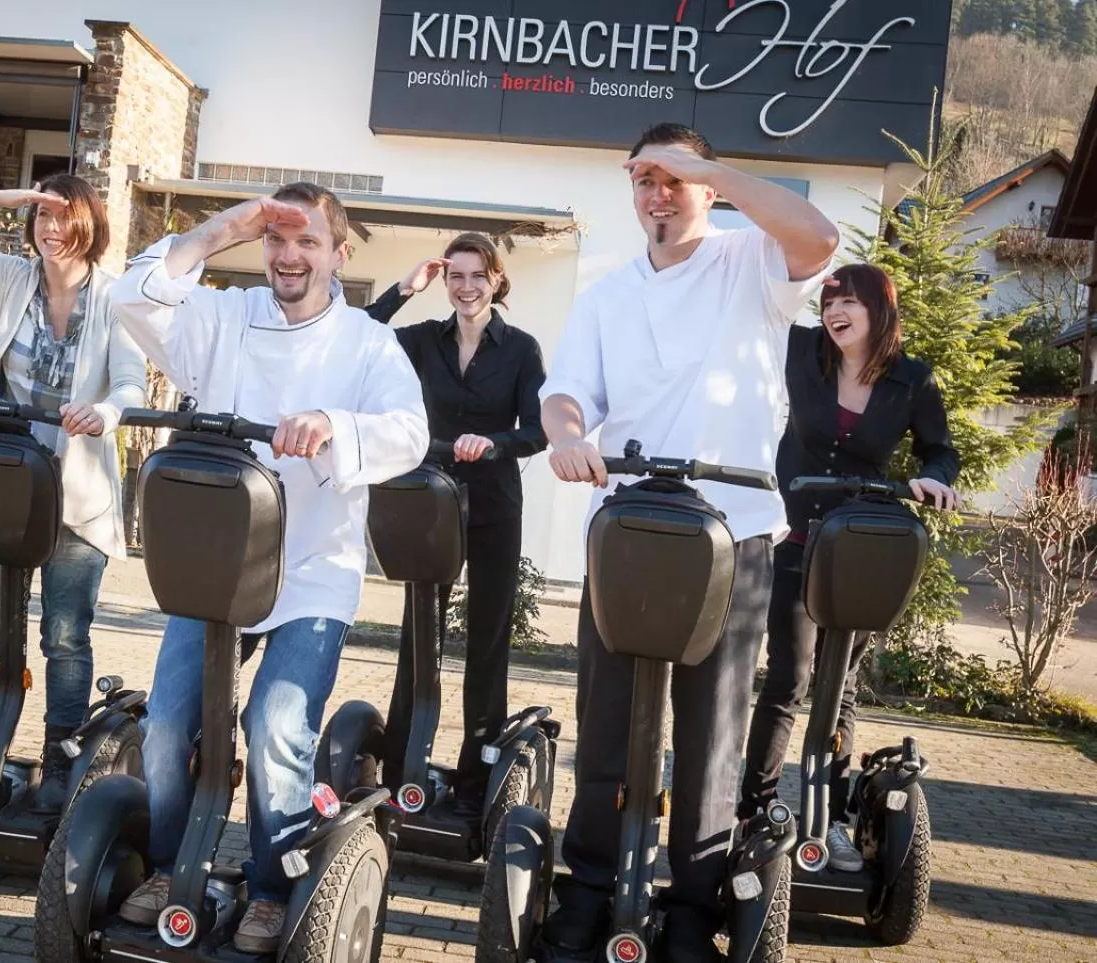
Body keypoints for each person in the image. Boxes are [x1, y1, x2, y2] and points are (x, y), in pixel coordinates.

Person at [539, 122, 841, 962]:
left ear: (707, 186)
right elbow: (565, 394)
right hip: (632, 528)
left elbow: (820, 236)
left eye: (674, 179)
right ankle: (589, 885)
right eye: (644, 177)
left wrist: (714, 170)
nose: (657, 193)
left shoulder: (752, 261)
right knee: (604, 720)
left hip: (734, 530)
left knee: (712, 730)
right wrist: (567, 436)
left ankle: (691, 907)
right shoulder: (605, 291)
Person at [108, 182, 428, 953]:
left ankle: (273, 883)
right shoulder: (222, 315)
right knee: (166, 725)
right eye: (276, 240)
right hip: (217, 558)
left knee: (277, 726)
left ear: (339, 254)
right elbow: (132, 300)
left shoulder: (366, 343)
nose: (289, 256)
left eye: (307, 242)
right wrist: (222, 228)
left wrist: (334, 424)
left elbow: (409, 433)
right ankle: (169, 863)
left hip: (315, 568)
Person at [0, 174, 146, 799]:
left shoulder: (116, 297)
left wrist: (108, 412)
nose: (52, 229)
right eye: (42, 217)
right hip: (7, 484)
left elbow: (131, 383)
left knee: (64, 636)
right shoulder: (12, 278)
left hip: (76, 493)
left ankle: (61, 761)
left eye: (65, 218)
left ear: (90, 226)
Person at [739, 263, 959, 870]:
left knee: (841, 689)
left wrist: (934, 479)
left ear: (879, 308)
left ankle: (829, 820)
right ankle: (752, 812)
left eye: (848, 302)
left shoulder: (912, 380)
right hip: (794, 537)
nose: (834, 311)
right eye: (829, 301)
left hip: (860, 546)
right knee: (789, 677)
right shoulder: (800, 350)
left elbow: (940, 449)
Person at [364, 234, 548, 812]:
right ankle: (400, 771)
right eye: (456, 277)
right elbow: (359, 336)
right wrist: (403, 288)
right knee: (419, 639)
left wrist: (491, 442)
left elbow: (537, 432)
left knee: (488, 642)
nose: (466, 287)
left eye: (478, 276)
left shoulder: (520, 348)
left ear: (497, 280)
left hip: (494, 506)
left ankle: (476, 780)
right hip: (431, 503)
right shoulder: (421, 341)